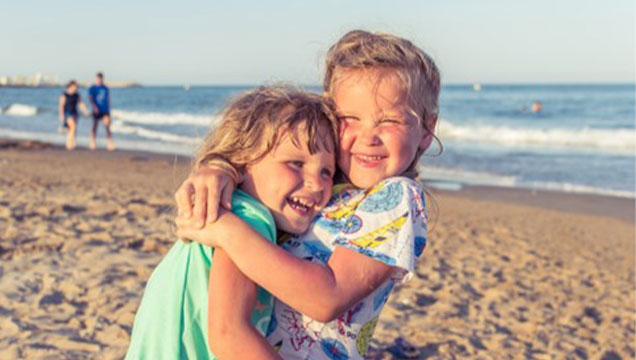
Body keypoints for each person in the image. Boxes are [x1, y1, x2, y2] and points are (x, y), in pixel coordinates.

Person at [174, 30, 441, 359]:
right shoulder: (322, 186)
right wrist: (220, 170)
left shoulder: (398, 198)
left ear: (427, 130)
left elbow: (325, 298)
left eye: (388, 120)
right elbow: (263, 160)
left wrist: (227, 230)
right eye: (349, 119)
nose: (368, 137)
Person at [125, 86, 339, 360]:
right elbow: (229, 335)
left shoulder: (234, 210)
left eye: (326, 172)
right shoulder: (248, 218)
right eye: (295, 164)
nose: (316, 183)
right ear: (242, 161)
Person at [58, 80, 89, 150]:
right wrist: (61, 115)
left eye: (76, 87)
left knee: (71, 129)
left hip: (75, 113)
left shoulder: (77, 95)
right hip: (67, 113)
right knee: (73, 126)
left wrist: (85, 111)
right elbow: (61, 106)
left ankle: (71, 143)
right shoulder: (64, 94)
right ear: (71, 86)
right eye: (75, 86)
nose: (76, 88)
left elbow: (80, 103)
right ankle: (70, 144)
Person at [88, 72, 115, 150]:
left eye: (101, 78)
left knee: (107, 126)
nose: (100, 80)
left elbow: (108, 99)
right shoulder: (92, 88)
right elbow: (90, 98)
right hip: (96, 110)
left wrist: (110, 109)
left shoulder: (105, 88)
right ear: (96, 79)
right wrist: (94, 107)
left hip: (105, 109)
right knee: (95, 126)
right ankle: (92, 142)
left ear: (103, 79)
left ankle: (110, 143)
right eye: (98, 78)